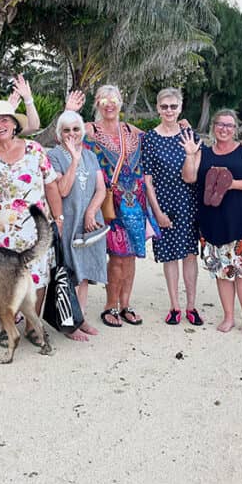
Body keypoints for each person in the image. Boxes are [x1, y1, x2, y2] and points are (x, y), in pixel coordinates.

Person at [0, 101, 64, 324]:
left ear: (14, 125)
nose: (0, 125)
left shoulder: (35, 150)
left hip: (35, 231)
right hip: (0, 235)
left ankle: (33, 325)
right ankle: (7, 327)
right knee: (2, 281)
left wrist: (59, 218)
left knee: (37, 277)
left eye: (5, 120)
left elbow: (51, 186)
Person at [182, 110, 242, 335]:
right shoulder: (203, 153)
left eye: (229, 125)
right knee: (222, 272)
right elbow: (189, 177)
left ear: (235, 129)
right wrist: (190, 155)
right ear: (213, 127)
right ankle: (229, 317)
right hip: (211, 221)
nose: (224, 129)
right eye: (220, 124)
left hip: (241, 222)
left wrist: (231, 184)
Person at [85, 85, 150, 328]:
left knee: (130, 256)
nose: (109, 104)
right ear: (97, 103)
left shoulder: (132, 131)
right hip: (109, 201)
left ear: (121, 103)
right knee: (116, 256)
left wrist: (183, 124)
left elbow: (160, 138)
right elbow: (66, 137)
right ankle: (109, 305)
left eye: (114, 99)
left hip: (136, 203)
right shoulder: (90, 131)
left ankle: (126, 304)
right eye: (104, 100)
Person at [142, 87, 202, 326]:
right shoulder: (150, 138)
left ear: (180, 108)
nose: (169, 111)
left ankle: (191, 306)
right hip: (163, 203)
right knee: (170, 257)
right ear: (158, 108)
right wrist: (157, 212)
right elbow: (147, 180)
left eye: (173, 106)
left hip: (188, 202)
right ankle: (175, 305)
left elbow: (192, 177)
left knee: (189, 255)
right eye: (164, 106)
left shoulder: (190, 136)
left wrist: (189, 154)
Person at [47, 110, 108, 341]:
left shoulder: (91, 156)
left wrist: (91, 212)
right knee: (70, 271)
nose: (72, 134)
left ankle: (81, 317)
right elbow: (62, 190)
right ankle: (70, 323)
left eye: (75, 129)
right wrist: (73, 159)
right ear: (59, 133)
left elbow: (101, 189)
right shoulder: (54, 155)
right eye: (66, 130)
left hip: (90, 222)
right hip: (68, 221)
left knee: (85, 273)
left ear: (82, 131)